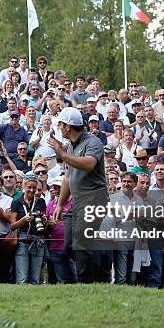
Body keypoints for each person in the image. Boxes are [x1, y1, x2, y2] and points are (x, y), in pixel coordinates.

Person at [48, 107, 111, 283]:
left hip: (94, 198)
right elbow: (67, 177)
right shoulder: (70, 147)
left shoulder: (93, 142)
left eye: (60, 124)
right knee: (69, 246)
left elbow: (89, 164)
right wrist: (60, 204)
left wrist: (62, 154)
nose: (59, 127)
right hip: (77, 200)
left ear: (67, 126)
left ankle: (87, 284)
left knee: (82, 244)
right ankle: (101, 277)